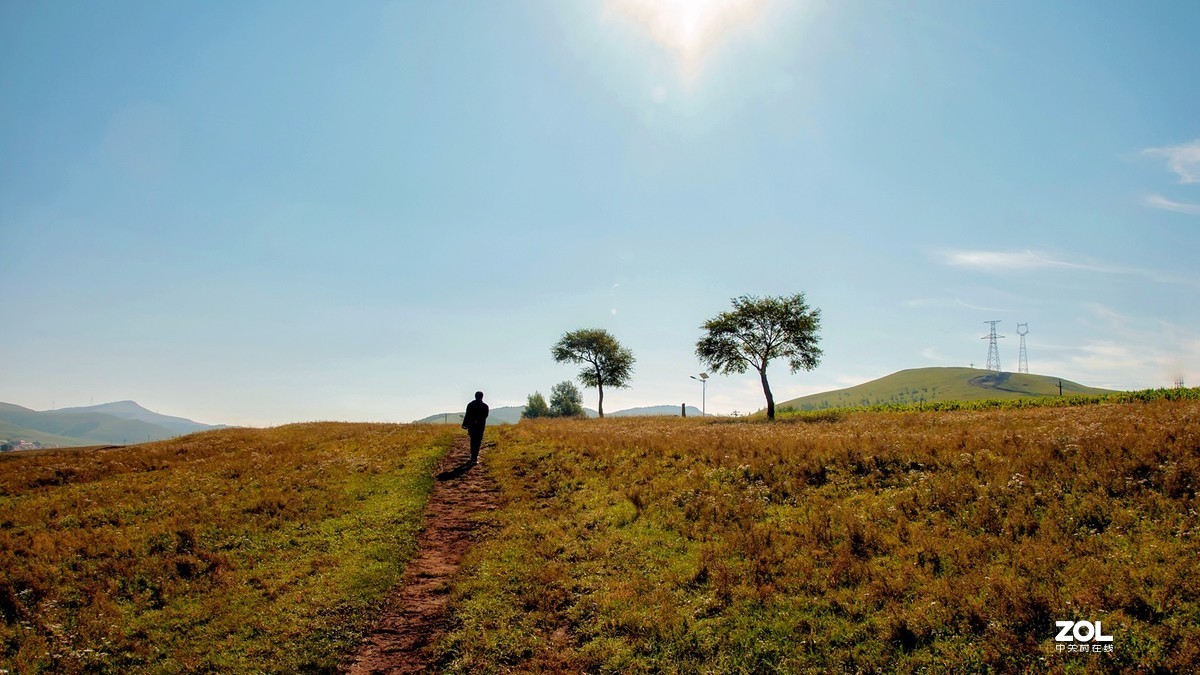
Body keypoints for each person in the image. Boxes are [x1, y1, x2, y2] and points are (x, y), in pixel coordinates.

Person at [461, 391, 489, 463]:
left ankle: (473, 455)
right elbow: (485, 416)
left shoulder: (470, 405)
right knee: (478, 441)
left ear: (475, 396)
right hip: (480, 426)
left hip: (472, 425)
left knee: (473, 440)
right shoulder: (485, 406)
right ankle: (475, 456)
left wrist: (465, 424)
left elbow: (467, 415)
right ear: (482, 397)